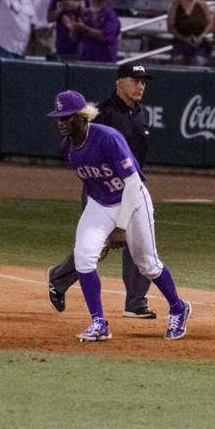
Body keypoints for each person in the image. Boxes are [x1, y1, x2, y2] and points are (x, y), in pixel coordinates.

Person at [46, 89, 192, 343]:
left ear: (82, 117)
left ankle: (178, 308)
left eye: (67, 117)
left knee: (148, 264)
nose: (61, 122)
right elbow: (92, 187)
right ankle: (99, 323)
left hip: (133, 201)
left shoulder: (107, 138)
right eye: (58, 117)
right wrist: (99, 231)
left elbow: (133, 184)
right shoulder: (68, 148)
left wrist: (119, 228)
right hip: (101, 203)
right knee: (83, 257)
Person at [47, 64, 159, 320]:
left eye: (144, 81)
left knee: (137, 242)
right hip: (101, 191)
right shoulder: (104, 113)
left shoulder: (140, 113)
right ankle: (58, 278)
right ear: (120, 83)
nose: (141, 85)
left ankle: (136, 301)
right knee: (96, 247)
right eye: (135, 80)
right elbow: (80, 145)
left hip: (129, 187)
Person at [168, 0, 212, 65]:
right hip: (180, 43)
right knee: (179, 62)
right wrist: (185, 39)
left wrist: (201, 36)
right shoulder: (175, 5)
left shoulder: (202, 4)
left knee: (198, 62)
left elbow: (209, 23)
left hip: (199, 44)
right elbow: (171, 27)